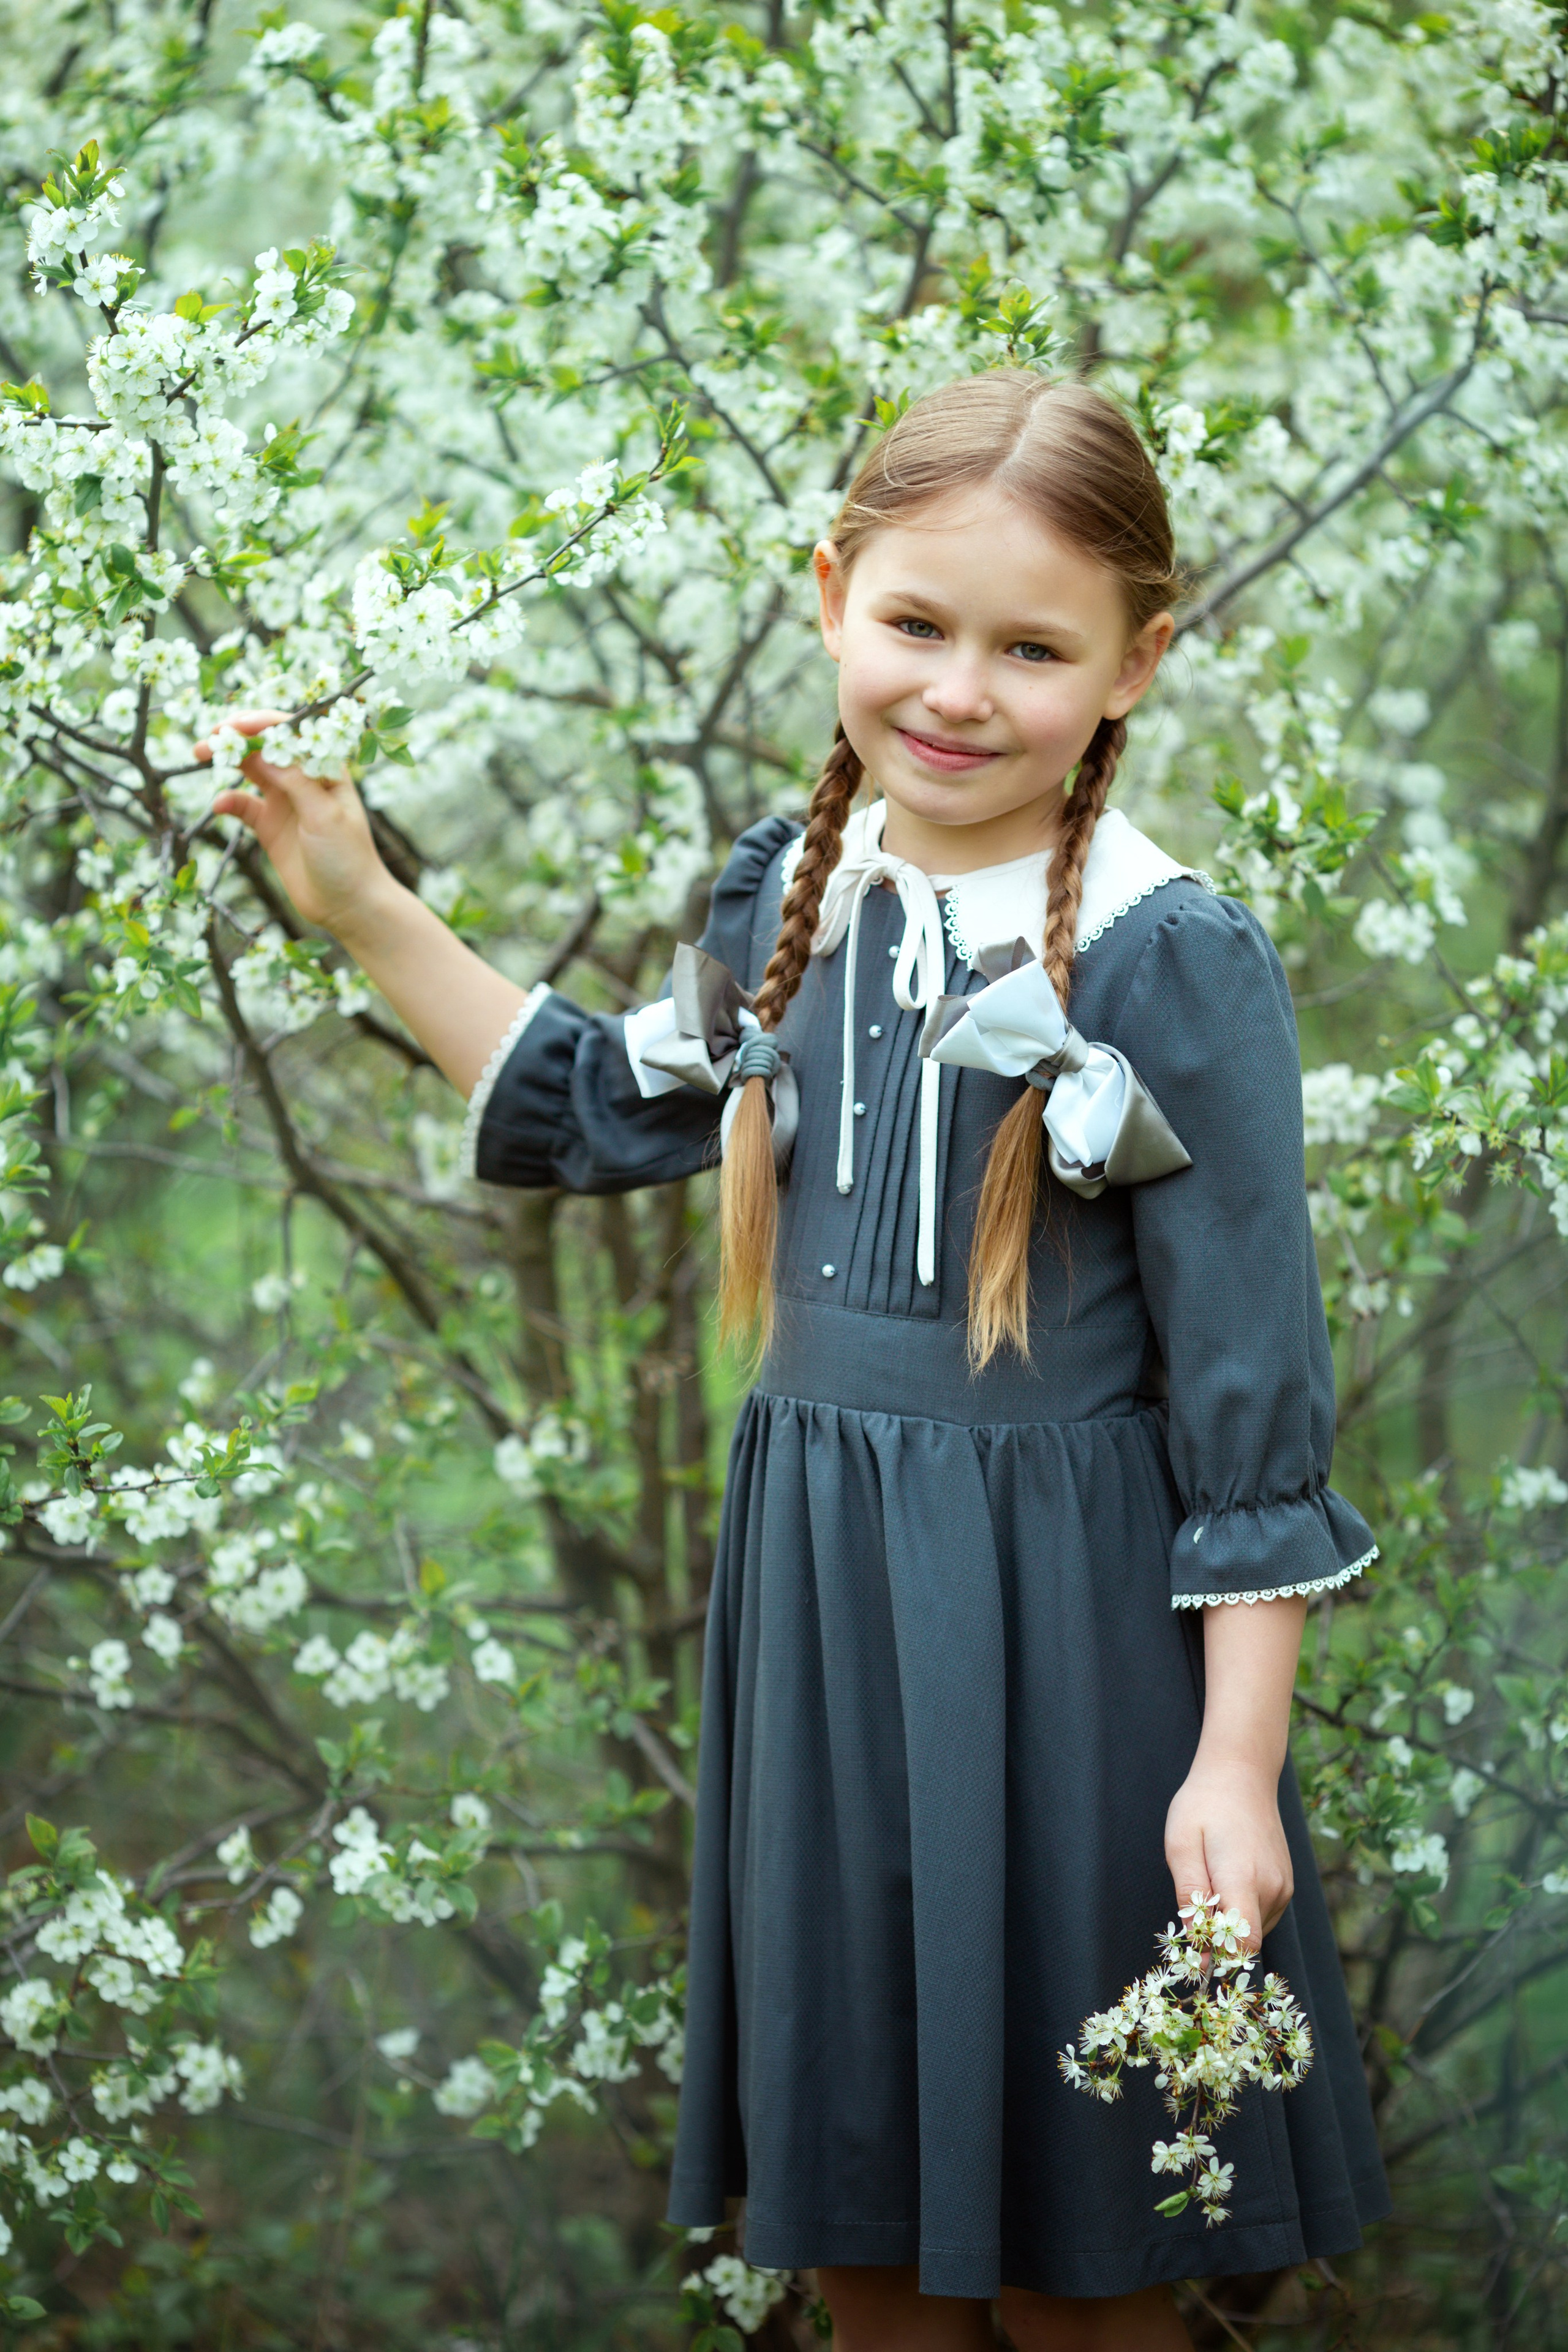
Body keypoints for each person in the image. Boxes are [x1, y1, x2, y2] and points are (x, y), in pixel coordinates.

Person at [201, 369, 1389, 2351]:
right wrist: (363, 906)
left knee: (1087, 2261)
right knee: (862, 2232)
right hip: (826, 1620)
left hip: (1076, 1651)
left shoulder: (1177, 958)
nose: (958, 690)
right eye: (915, 623)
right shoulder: (790, 894)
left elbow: (1255, 1409)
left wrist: (1237, 1765)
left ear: (1135, 665)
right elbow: (601, 1105)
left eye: (1033, 649)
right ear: (833, 591)